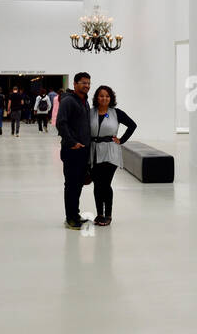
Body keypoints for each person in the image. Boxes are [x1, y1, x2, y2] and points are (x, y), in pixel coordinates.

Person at [88, 85, 137, 226]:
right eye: (101, 95)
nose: (104, 98)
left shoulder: (116, 113)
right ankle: (99, 214)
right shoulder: (91, 113)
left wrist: (121, 140)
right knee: (97, 184)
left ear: (111, 98)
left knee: (105, 184)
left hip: (110, 151)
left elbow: (132, 125)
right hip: (94, 152)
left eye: (107, 96)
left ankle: (108, 214)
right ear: (97, 97)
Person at [56, 73, 92, 229]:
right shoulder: (68, 101)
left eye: (89, 83)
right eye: (84, 83)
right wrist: (72, 142)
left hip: (83, 151)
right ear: (75, 83)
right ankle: (70, 218)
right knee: (71, 185)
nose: (87, 86)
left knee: (78, 184)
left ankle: (74, 214)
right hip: (72, 150)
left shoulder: (84, 101)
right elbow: (61, 123)